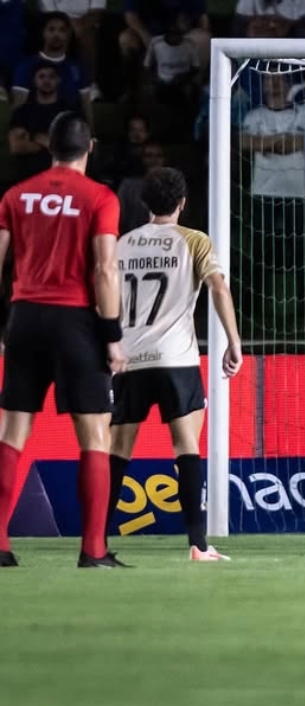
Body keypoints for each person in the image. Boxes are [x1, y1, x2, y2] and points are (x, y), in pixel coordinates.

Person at [0, 113, 126, 569]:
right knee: (94, 434)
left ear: (48, 146)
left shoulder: (16, 195)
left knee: (13, 431)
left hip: (25, 317)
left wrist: (8, 320)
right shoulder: (100, 197)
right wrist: (112, 335)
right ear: (88, 147)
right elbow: (105, 269)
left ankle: (0, 543)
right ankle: (93, 551)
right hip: (76, 322)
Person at [106, 167, 243, 562]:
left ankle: (95, 541)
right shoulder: (194, 241)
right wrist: (233, 342)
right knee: (186, 449)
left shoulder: (122, 244)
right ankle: (198, 546)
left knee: (119, 451)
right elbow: (219, 286)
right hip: (176, 360)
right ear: (182, 203)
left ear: (146, 203)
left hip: (129, 360)